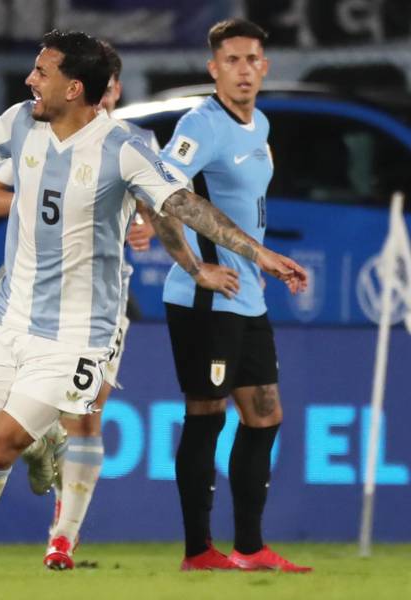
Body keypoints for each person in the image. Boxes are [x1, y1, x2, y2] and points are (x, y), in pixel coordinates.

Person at [0, 29, 306, 577]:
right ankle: (44, 442)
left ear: (74, 87)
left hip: (78, 334)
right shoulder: (21, 122)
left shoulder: (123, 148)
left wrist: (255, 253)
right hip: (6, 315)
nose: (30, 80)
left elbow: (180, 205)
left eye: (42, 72)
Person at [0, 40, 240, 570]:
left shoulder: (135, 144)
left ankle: (63, 539)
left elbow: (164, 209)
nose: (109, 96)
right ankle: (41, 449)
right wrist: (47, 202)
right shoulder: (38, 131)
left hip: (100, 305)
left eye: (114, 88)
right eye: (104, 87)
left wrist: (151, 230)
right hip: (25, 302)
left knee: (87, 416)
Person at [159, 18, 311, 573]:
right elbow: (161, 193)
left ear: (264, 67)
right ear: (214, 68)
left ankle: (249, 547)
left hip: (249, 296)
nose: (243, 70)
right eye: (232, 60)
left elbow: (246, 208)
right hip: (208, 299)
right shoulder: (201, 125)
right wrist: (194, 267)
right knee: (207, 415)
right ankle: (198, 551)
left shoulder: (258, 122)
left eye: (251, 60)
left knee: (265, 415)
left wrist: (262, 262)